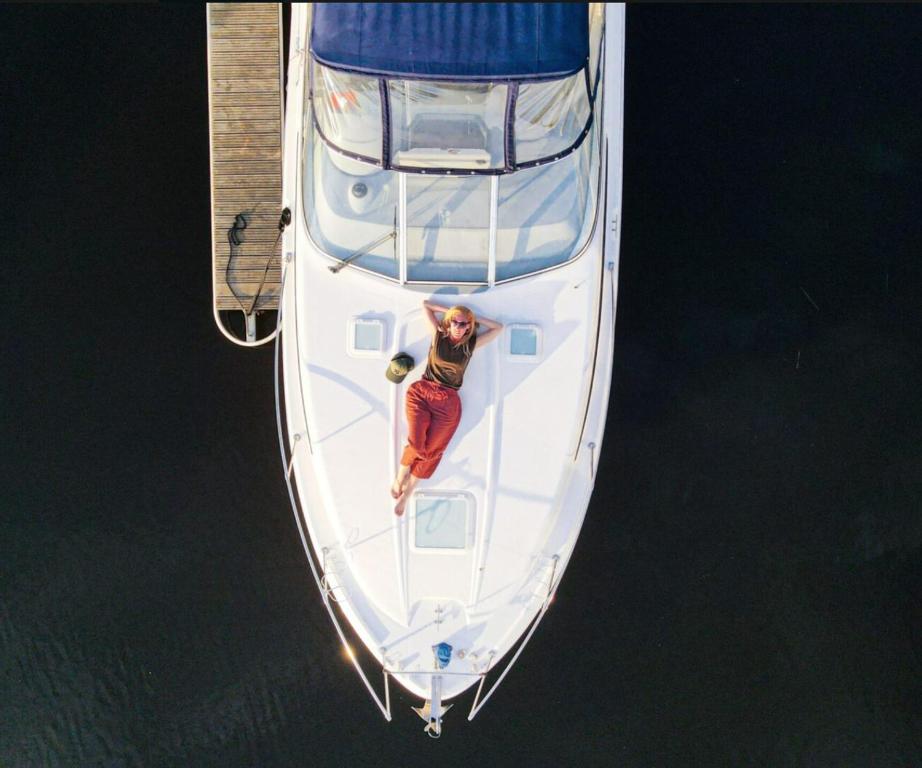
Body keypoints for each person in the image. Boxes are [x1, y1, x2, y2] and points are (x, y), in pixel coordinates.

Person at [391, 300, 503, 515]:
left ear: (469, 327)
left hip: (449, 401)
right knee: (416, 444)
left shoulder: (469, 345)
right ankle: (400, 478)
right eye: (456, 323)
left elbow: (498, 328)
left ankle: (408, 493)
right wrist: (452, 313)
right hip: (422, 392)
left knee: (433, 450)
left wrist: (472, 318)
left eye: (464, 325)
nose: (460, 327)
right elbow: (426, 305)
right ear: (448, 323)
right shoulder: (438, 336)